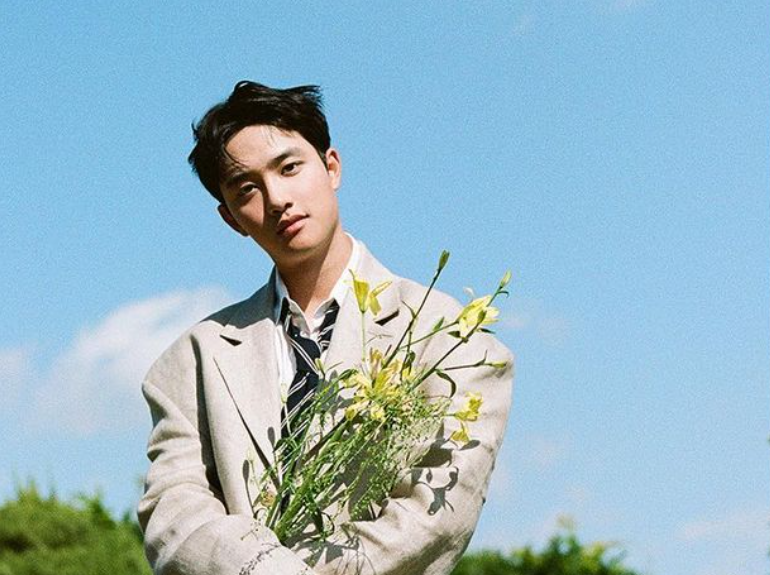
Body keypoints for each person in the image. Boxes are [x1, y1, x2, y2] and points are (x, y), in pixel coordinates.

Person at [137, 81, 514, 575]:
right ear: (232, 219)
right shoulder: (193, 359)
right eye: (247, 189)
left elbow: (437, 515)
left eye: (289, 168)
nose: (277, 199)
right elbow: (175, 514)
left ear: (331, 167)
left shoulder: (452, 338)